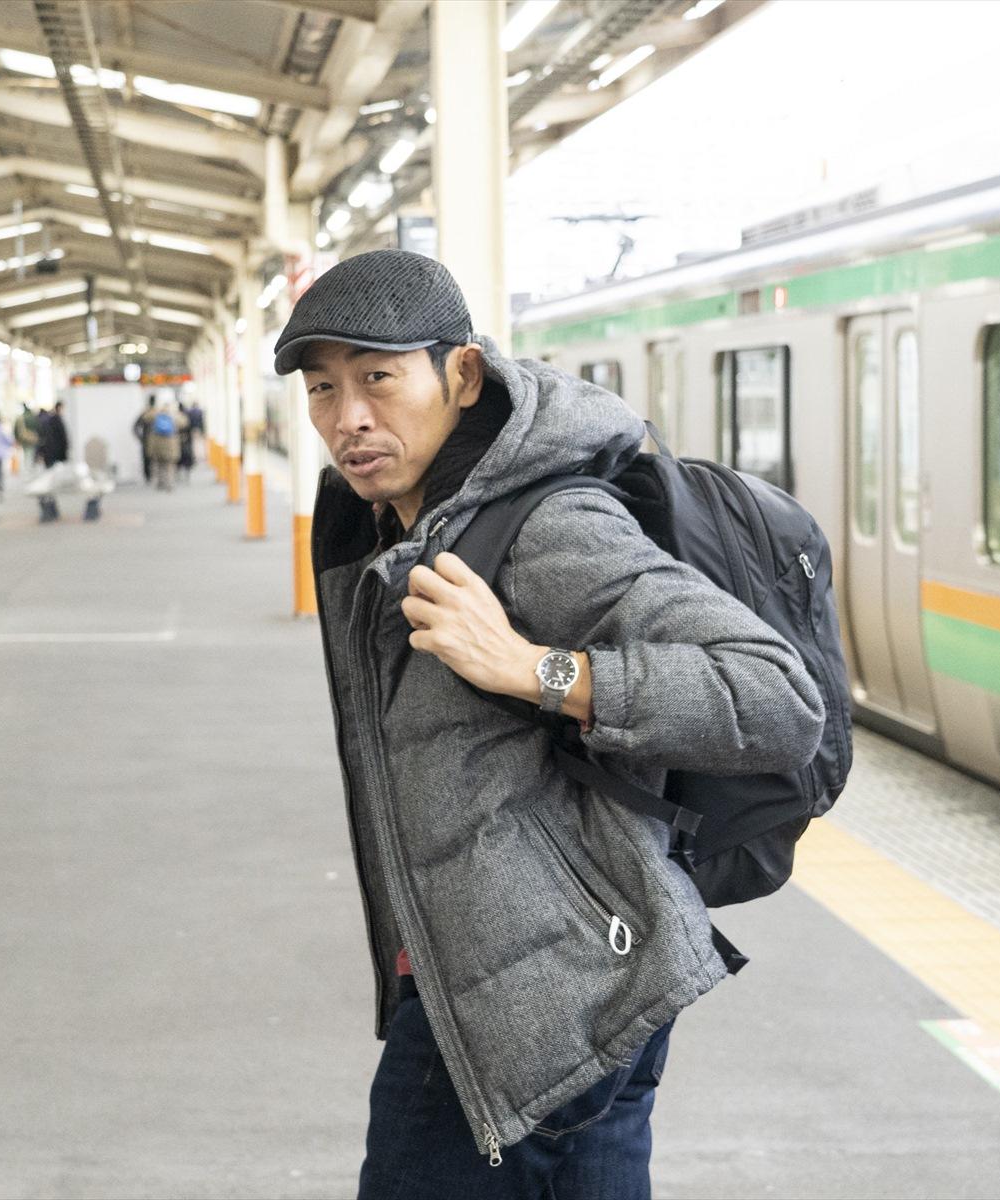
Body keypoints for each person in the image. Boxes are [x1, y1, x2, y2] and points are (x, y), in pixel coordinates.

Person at [278, 250, 824, 1199]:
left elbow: (776, 697)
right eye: (323, 389)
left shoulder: (546, 526)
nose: (347, 417)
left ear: (463, 375)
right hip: (558, 981)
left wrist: (538, 670)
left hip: (538, 1003)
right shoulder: (404, 520)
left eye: (378, 379)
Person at [145, 397, 186, 491]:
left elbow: (145, 417)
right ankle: (169, 484)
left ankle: (160, 483)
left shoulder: (155, 415)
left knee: (159, 465)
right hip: (170, 445)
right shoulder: (173, 416)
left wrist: (154, 410)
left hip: (157, 445)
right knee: (169, 466)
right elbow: (184, 422)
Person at [132, 397, 157, 484]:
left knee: (146, 458)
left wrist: (141, 438)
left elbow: (135, 427)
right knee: (155, 458)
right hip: (157, 440)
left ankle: (148, 477)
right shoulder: (158, 413)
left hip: (146, 439)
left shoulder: (145, 413)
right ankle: (154, 476)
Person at [37, 401, 69, 468]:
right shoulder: (56, 419)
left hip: (52, 450)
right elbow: (61, 435)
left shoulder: (52, 419)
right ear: (59, 408)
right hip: (56, 450)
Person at [14, 403, 40, 469]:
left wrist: (17, 439)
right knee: (31, 453)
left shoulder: (21, 417)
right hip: (33, 438)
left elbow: (16, 429)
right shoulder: (33, 417)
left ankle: (26, 467)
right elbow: (39, 427)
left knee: (26, 453)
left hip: (24, 438)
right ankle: (30, 467)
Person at [176, 400, 196, 482]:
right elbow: (190, 429)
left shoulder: (175, 417)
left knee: (179, 457)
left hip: (177, 441)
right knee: (187, 457)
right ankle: (187, 474)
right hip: (186, 440)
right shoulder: (187, 417)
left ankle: (178, 474)